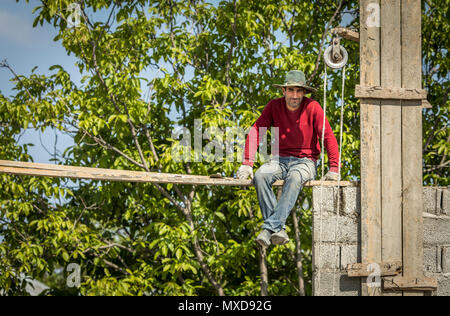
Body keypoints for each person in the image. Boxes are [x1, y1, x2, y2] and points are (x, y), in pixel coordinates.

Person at [236, 70, 340, 248]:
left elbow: (328, 136)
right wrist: (247, 163)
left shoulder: (313, 107)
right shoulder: (274, 106)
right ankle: (277, 228)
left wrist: (334, 168)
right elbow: (256, 131)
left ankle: (268, 229)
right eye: (291, 90)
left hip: (305, 161)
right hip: (279, 160)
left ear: (304, 93)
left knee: (294, 178)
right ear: (283, 91)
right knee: (260, 176)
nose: (295, 95)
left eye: (299, 91)